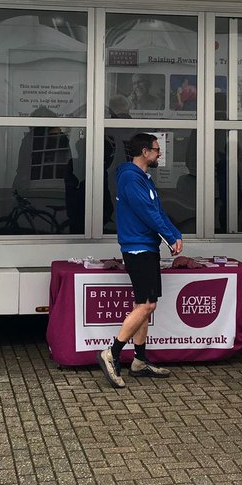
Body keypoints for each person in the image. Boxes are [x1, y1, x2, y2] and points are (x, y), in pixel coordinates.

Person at [97, 132, 182, 389]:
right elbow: (147, 213)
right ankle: (112, 353)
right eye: (157, 149)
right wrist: (169, 236)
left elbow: (157, 211)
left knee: (145, 304)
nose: (160, 153)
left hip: (146, 247)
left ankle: (140, 361)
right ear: (144, 152)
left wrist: (175, 235)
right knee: (146, 306)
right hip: (138, 250)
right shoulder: (131, 179)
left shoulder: (142, 179)